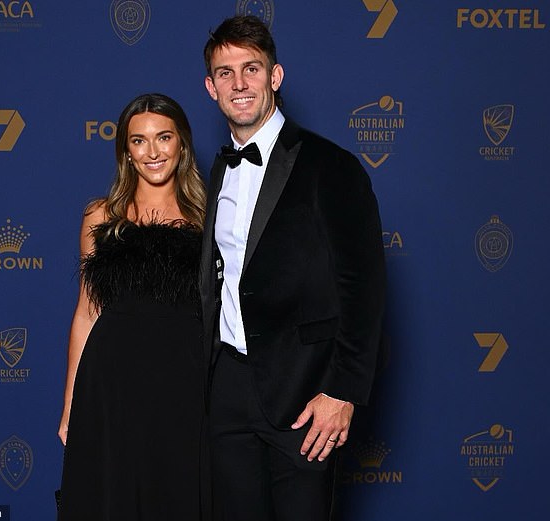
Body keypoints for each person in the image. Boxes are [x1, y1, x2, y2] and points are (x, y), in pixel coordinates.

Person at [199, 16, 386, 521]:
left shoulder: (333, 167)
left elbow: (364, 290)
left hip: (305, 395)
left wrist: (343, 391)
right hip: (228, 389)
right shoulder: (217, 170)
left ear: (275, 77)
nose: (239, 83)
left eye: (251, 69)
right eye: (225, 72)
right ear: (210, 86)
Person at [57, 93, 207, 520]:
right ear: (126, 150)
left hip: (185, 383)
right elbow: (87, 313)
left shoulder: (211, 217)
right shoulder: (101, 217)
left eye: (164, 137)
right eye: (139, 141)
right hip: (112, 384)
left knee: (179, 494)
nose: (153, 151)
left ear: (181, 145)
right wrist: (71, 403)